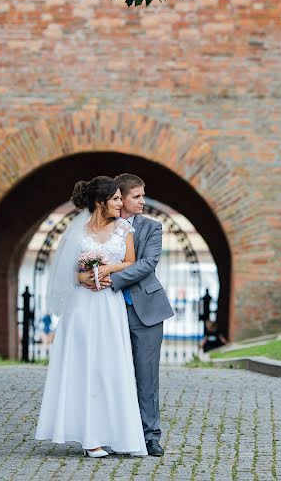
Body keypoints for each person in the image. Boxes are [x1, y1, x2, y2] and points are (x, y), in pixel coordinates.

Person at [35, 176, 147, 457]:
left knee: (111, 366)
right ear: (101, 202)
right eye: (116, 199)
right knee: (84, 367)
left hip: (109, 305)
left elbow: (131, 262)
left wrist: (108, 269)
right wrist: (81, 275)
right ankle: (89, 438)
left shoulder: (124, 229)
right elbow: (63, 271)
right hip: (82, 307)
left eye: (123, 199)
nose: (122, 204)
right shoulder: (77, 232)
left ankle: (122, 436)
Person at [81, 173, 174, 457]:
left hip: (145, 311)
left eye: (142, 196)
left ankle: (150, 436)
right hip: (108, 312)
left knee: (147, 378)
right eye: (136, 196)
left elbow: (147, 264)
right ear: (117, 198)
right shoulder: (96, 229)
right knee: (109, 374)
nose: (142, 201)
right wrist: (86, 277)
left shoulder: (151, 227)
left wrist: (110, 275)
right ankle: (111, 433)